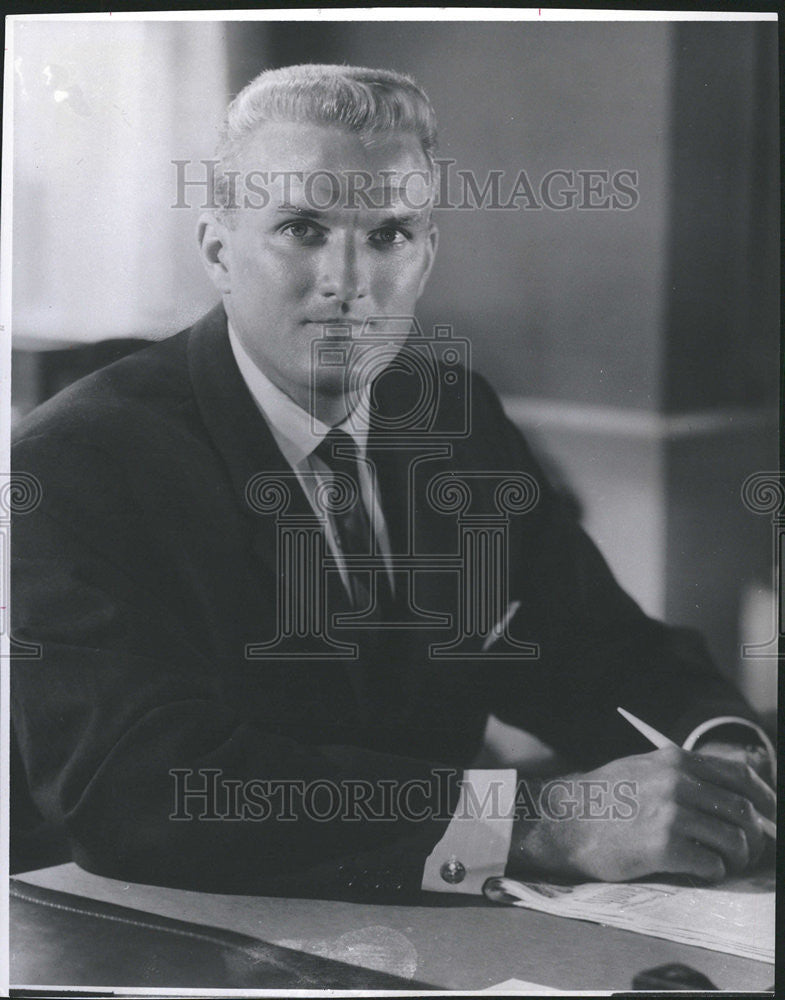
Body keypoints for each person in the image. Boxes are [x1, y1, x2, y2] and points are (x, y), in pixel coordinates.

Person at [11, 64, 775, 900]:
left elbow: (599, 647)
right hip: (156, 926)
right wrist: (539, 821)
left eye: (389, 234)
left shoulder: (451, 414)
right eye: (302, 228)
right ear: (218, 252)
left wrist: (724, 760)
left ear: (427, 253)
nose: (351, 282)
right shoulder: (75, 461)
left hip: (436, 934)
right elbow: (138, 788)